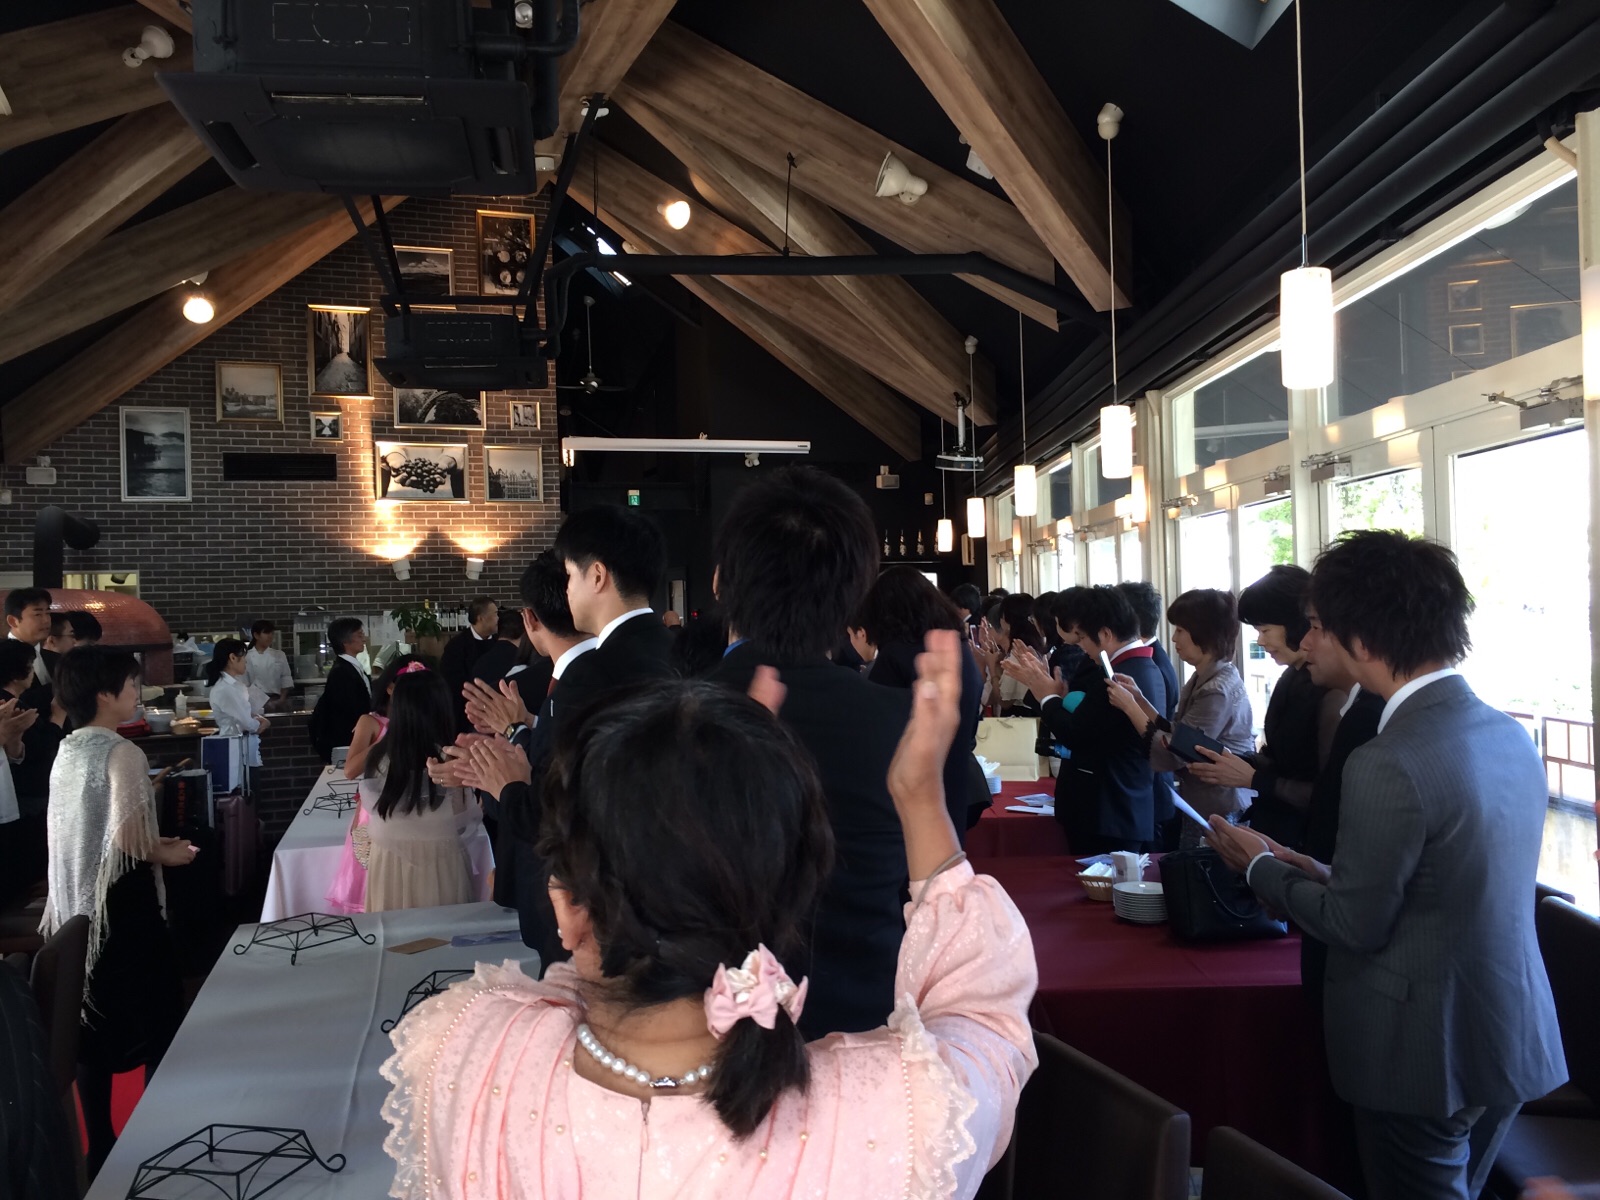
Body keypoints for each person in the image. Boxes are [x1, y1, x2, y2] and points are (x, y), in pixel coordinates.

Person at [382, 629, 1038, 1199]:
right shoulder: (896, 1111)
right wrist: (918, 798)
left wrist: (700, 828)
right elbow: (984, 1023)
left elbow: (584, 975)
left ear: (568, 909)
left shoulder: (467, 1055)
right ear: (792, 895)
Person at [1208, 532, 1565, 1200]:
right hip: (1507, 1030)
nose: (1308, 642)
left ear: (1364, 640)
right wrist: (1310, 867)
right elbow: (1437, 883)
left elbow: (1355, 924)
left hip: (1421, 1046)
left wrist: (1259, 870)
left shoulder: (1388, 758)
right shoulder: (1506, 732)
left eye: (1318, 626)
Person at [707, 467, 914, 1037]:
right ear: (854, 597)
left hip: (717, 1036)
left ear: (721, 582)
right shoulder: (904, 722)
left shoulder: (670, 721)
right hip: (872, 1026)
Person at [40, 647, 196, 1178]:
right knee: (158, 1018)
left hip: (81, 906)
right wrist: (168, 852)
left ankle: (102, 1149)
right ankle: (157, 1138)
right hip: (122, 905)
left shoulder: (69, 747)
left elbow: (88, 829)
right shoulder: (122, 751)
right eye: (132, 685)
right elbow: (130, 839)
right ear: (105, 693)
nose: (137, 695)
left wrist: (149, 836)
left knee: (94, 1029)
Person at [452, 553, 599, 966]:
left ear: (529, 619)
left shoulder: (581, 680)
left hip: (572, 882)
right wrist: (517, 731)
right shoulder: (585, 672)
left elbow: (554, 797)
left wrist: (504, 762)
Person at [1004, 586, 1167, 854]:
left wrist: (1047, 696)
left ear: (1105, 634)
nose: (1081, 648)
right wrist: (1056, 695)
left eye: (1082, 639)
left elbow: (1076, 733)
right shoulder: (1136, 667)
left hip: (1107, 810)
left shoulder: (1120, 676)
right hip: (1111, 809)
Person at [1105, 589, 1255, 847]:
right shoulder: (1206, 676)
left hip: (1219, 805)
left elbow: (1179, 749)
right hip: (1204, 799)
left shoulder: (1216, 688)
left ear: (1203, 633)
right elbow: (1179, 731)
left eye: (1181, 630)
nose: (1174, 638)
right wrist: (1140, 700)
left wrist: (1131, 708)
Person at [1216, 565, 1343, 848]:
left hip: (1306, 840)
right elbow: (1281, 757)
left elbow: (1329, 792)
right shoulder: (1291, 678)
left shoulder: (1331, 691)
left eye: (1265, 630)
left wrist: (1253, 778)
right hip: (1277, 828)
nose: (1260, 641)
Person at [856, 565, 983, 836]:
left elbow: (876, 730)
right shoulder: (958, 649)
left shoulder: (897, 655)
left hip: (909, 793)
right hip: (955, 783)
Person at [361, 667, 480, 912]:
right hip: (442, 862)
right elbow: (462, 820)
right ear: (441, 709)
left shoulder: (378, 757)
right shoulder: (451, 758)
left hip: (388, 861)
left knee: (392, 930)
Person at [554, 505, 675, 692]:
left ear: (597, 577)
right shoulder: (689, 656)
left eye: (569, 574)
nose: (567, 589)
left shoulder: (587, 677)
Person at [308, 617, 370, 764]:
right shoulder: (341, 672)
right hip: (348, 742)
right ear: (345, 642)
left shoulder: (352, 668)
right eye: (359, 635)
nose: (364, 639)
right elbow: (348, 712)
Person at [976, 593, 1044, 717]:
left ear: (1007, 622)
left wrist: (992, 668)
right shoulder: (1033, 645)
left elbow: (1004, 701)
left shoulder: (1018, 652)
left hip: (1021, 717)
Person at [440, 596, 498, 733]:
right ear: (481, 618)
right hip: (466, 716)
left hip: (496, 714)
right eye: (495, 614)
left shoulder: (500, 643)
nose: (498, 618)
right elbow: (452, 685)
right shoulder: (456, 646)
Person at [243, 620, 293, 711]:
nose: (270, 636)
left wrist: (281, 700)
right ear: (256, 635)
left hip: (277, 700)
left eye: (271, 633)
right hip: (255, 702)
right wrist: (262, 703)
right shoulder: (246, 657)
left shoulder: (279, 655)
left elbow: (286, 678)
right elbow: (245, 684)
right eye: (266, 633)